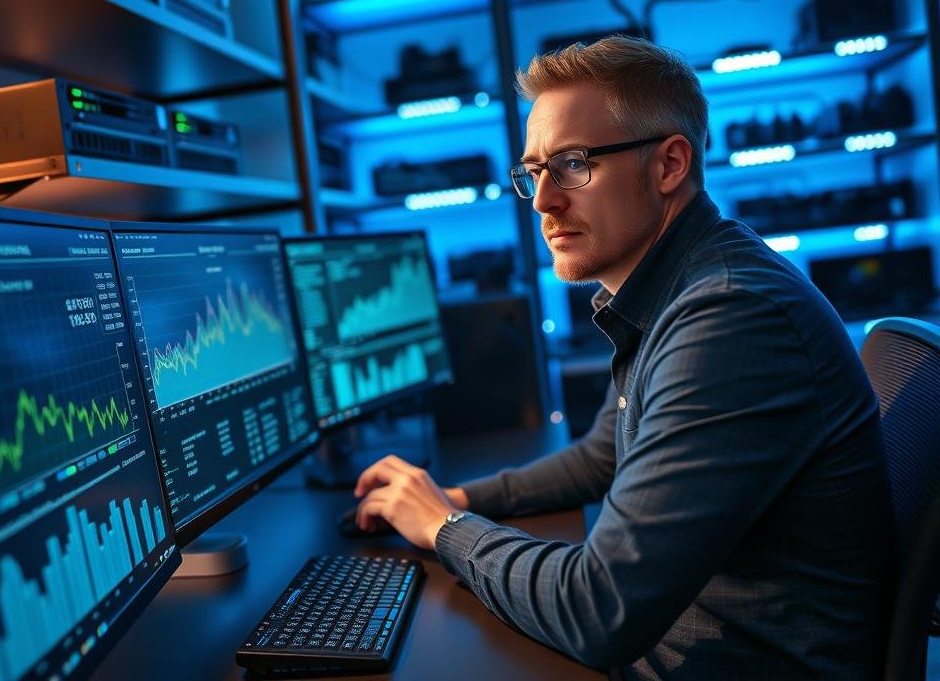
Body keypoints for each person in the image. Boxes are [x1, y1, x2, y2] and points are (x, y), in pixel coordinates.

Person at [351, 35, 891, 679]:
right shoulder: (670, 291)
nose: (545, 201)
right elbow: (601, 456)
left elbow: (598, 609)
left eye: (574, 163)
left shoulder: (728, 315)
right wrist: (456, 496)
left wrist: (444, 525)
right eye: (533, 172)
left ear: (668, 165)